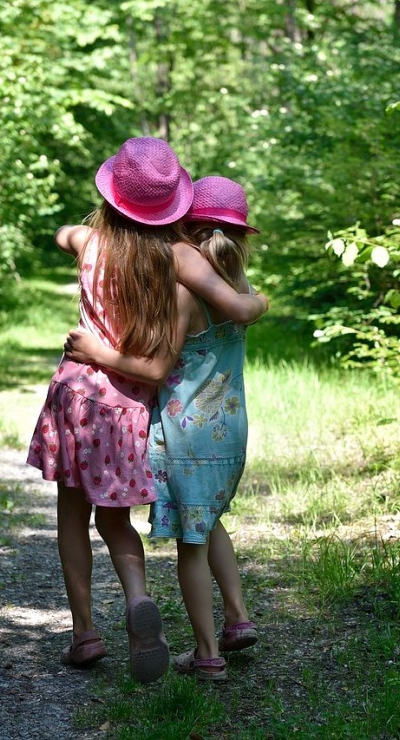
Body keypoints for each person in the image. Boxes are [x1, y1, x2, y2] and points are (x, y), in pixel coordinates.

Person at [27, 140, 266, 684]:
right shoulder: (176, 259)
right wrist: (259, 301)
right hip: (128, 404)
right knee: (114, 518)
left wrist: (79, 234)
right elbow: (236, 308)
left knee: (72, 514)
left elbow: (65, 234)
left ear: (111, 198)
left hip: (76, 395)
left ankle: (85, 631)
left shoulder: (89, 243)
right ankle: (138, 597)